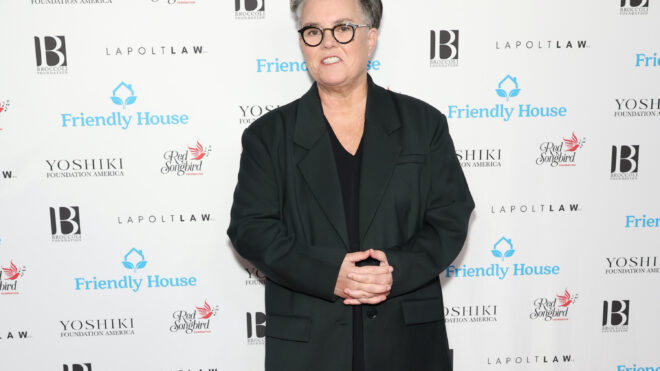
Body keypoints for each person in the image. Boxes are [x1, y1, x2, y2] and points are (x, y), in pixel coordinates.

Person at [227, 0, 474, 370]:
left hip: (407, 345)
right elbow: (250, 229)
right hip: (310, 351)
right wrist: (330, 275)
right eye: (313, 32)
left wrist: (394, 272)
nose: (327, 43)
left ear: (370, 37)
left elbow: (450, 218)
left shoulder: (424, 125)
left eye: (343, 28)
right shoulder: (268, 136)